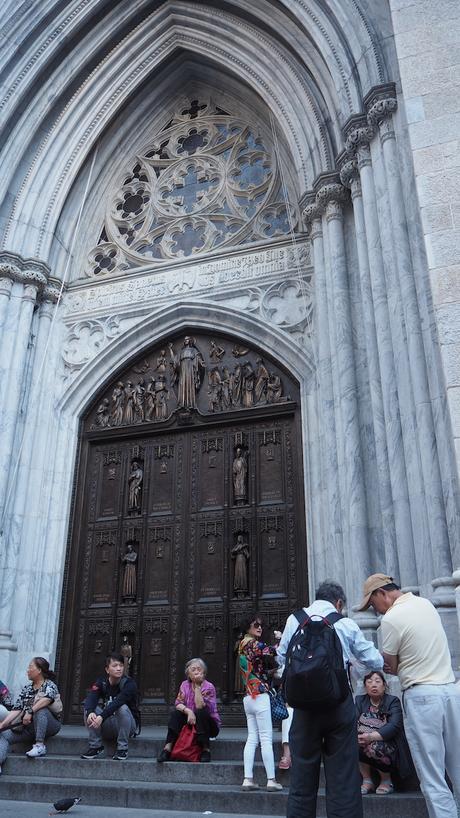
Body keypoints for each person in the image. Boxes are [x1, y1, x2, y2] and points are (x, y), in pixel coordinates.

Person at [277, 579, 384, 818]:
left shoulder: (295, 619)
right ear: (338, 603)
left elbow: (281, 658)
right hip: (338, 706)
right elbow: (374, 661)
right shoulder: (344, 623)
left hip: (303, 708)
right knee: (343, 777)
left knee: (302, 777)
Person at [357, 573, 460, 818]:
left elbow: (389, 664)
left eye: (373, 604)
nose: (376, 611)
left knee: (432, 775)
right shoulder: (426, 603)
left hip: (422, 696)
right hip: (450, 690)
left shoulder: (392, 618)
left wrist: (399, 661)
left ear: (382, 593)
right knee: (458, 767)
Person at [238, 614, 283, 791]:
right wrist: (281, 640)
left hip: (249, 697)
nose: (259, 627)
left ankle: (248, 779)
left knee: (252, 738)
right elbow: (271, 651)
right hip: (260, 696)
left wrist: (269, 672)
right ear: (247, 627)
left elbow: (255, 668)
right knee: (265, 738)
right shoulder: (250, 643)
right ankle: (271, 780)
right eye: (255, 624)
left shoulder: (243, 645)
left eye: (260, 625)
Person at [356, 669, 414, 794]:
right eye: (369, 682)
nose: (374, 684)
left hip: (389, 743)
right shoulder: (359, 701)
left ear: (384, 685)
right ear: (365, 686)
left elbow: (394, 726)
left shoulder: (392, 701)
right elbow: (352, 721)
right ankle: (367, 781)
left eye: (377, 681)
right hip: (363, 740)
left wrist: (370, 737)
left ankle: (386, 781)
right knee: (354, 743)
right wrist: (358, 737)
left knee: (376, 747)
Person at [0, 657, 62, 769]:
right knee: (4, 735)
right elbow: (17, 709)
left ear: (39, 670)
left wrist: (30, 711)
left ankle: (39, 745)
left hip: (50, 725)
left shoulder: (49, 685)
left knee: (41, 709)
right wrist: (3, 724)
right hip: (28, 728)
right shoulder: (27, 688)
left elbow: (47, 699)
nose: (27, 670)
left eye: (30, 667)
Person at [157, 658, 220, 763]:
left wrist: (198, 687)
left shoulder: (209, 687)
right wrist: (189, 711)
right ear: (188, 673)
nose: (196, 672)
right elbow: (178, 703)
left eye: (199, 669)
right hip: (190, 720)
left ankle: (205, 749)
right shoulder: (184, 685)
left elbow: (200, 706)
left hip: (208, 725)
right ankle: (167, 748)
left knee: (201, 712)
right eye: (193, 669)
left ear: (204, 672)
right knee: (176, 714)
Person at [81, 653, 139, 760]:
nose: (119, 669)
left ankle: (122, 748)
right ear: (107, 670)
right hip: (109, 724)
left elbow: (119, 702)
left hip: (128, 726)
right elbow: (91, 698)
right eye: (115, 666)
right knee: (89, 708)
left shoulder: (129, 684)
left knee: (122, 707)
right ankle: (95, 747)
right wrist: (90, 712)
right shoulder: (101, 682)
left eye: (121, 666)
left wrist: (102, 716)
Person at [169, 336, 205, 409]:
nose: (185, 341)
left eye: (187, 339)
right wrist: (170, 350)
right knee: (182, 384)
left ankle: (191, 403)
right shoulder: (181, 352)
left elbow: (197, 358)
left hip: (190, 368)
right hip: (183, 369)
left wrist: (201, 363)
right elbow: (175, 361)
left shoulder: (193, 350)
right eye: (185, 340)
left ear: (190, 341)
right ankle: (182, 403)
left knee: (189, 383)